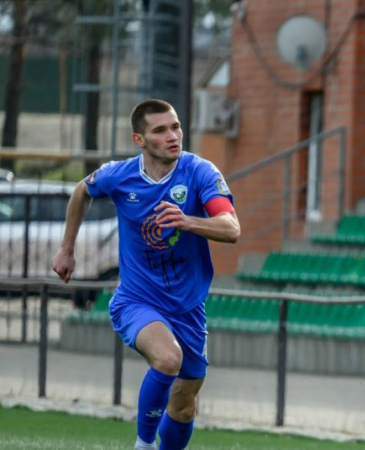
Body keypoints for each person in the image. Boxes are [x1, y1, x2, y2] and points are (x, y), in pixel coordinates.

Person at [51, 99, 240, 450]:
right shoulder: (119, 176)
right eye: (160, 130)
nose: (173, 136)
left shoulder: (200, 172)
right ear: (140, 140)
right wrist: (67, 249)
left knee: (183, 407)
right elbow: (82, 190)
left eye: (176, 127)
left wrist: (187, 221)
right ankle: (143, 444)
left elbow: (231, 228)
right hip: (137, 300)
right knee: (168, 358)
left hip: (188, 307)